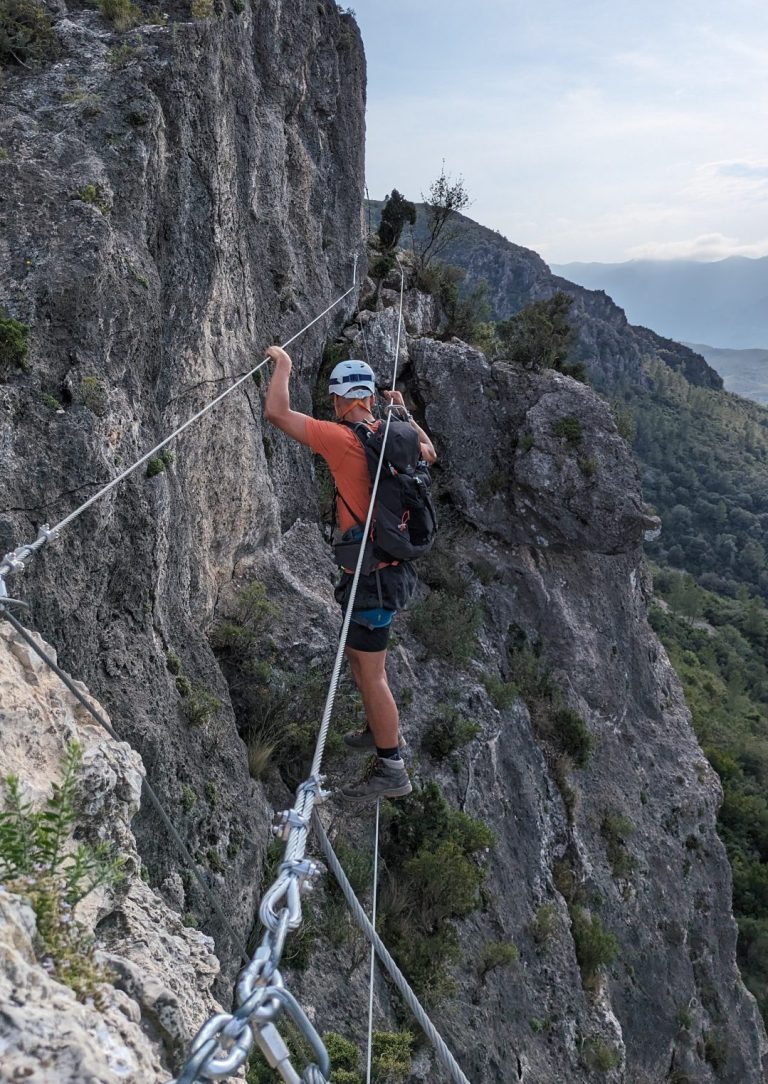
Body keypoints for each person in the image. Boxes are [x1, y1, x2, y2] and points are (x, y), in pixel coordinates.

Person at [264, 346, 436, 803]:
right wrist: (404, 413)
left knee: (373, 672)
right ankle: (374, 728)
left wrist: (284, 365)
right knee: (363, 664)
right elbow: (431, 453)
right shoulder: (394, 435)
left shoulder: (341, 439)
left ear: (340, 400)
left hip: (372, 579)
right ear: (371, 400)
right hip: (385, 572)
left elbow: (277, 412)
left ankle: (391, 767)